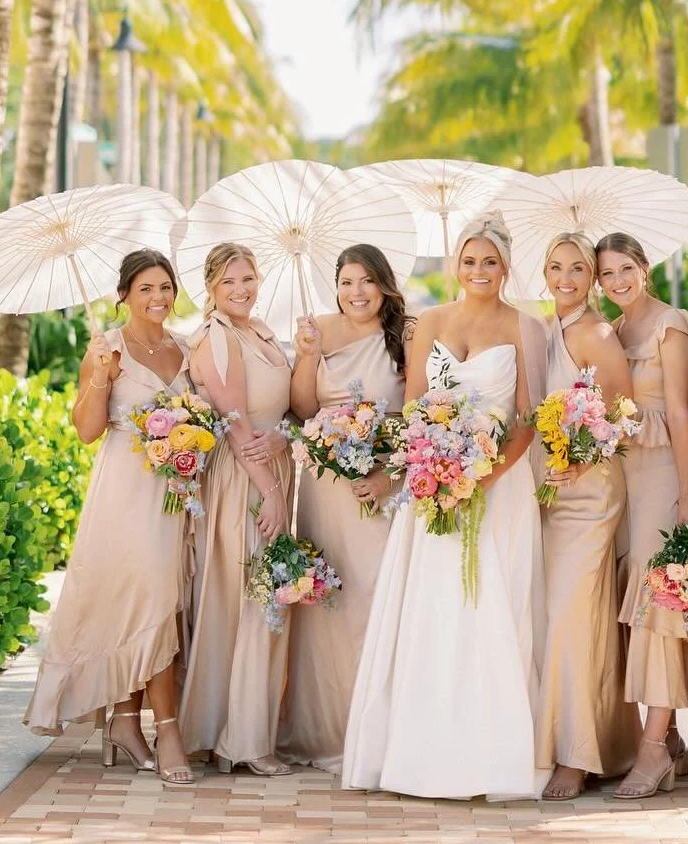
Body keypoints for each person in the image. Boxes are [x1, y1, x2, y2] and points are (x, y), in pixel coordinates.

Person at [342, 213, 546, 799]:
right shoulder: (428, 321)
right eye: (469, 259)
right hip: (431, 485)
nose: (478, 270)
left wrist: (481, 475)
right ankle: (417, 752)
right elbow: (412, 405)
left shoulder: (525, 327)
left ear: (505, 267)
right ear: (455, 264)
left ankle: (490, 755)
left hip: (496, 487)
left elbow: (529, 418)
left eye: (489, 261)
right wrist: (432, 463)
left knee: (488, 605)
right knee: (431, 608)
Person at [23, 249, 193, 786]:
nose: (158, 297)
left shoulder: (186, 347)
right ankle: (166, 730)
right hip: (125, 490)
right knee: (152, 602)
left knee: (154, 602)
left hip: (177, 494)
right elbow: (87, 429)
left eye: (165, 286)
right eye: (145, 288)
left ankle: (124, 721)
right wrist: (100, 376)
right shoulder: (108, 348)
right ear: (123, 295)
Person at [280, 244, 409, 771]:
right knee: (330, 604)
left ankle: (380, 731)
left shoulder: (409, 334)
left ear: (384, 284)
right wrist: (307, 354)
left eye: (366, 281)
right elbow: (304, 409)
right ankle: (326, 729)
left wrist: (384, 474)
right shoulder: (318, 331)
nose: (356, 292)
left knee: (376, 598)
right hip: (324, 485)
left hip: (382, 481)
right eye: (347, 282)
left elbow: (419, 411)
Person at [178, 244, 295, 776]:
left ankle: (246, 727)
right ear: (210, 287)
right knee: (249, 596)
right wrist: (269, 490)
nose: (242, 289)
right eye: (229, 282)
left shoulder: (263, 331)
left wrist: (284, 440)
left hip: (271, 470)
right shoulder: (215, 336)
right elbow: (236, 421)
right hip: (242, 479)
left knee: (265, 593)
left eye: (248, 277)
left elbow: (287, 409)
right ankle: (242, 740)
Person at [535, 231, 641, 799]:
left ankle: (576, 755)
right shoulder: (540, 331)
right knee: (562, 621)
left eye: (578, 268)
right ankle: (605, 742)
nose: (566, 278)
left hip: (591, 495)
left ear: (593, 278)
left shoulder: (596, 333)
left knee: (571, 618)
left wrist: (580, 459)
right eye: (556, 267)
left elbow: (624, 416)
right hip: (545, 496)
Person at [597, 230, 688, 799]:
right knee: (630, 597)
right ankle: (672, 736)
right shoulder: (611, 330)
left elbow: (681, 414)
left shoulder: (671, 324)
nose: (616, 282)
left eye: (625, 270)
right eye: (606, 275)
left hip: (665, 470)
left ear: (644, 266)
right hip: (624, 475)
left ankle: (653, 749)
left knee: (658, 594)